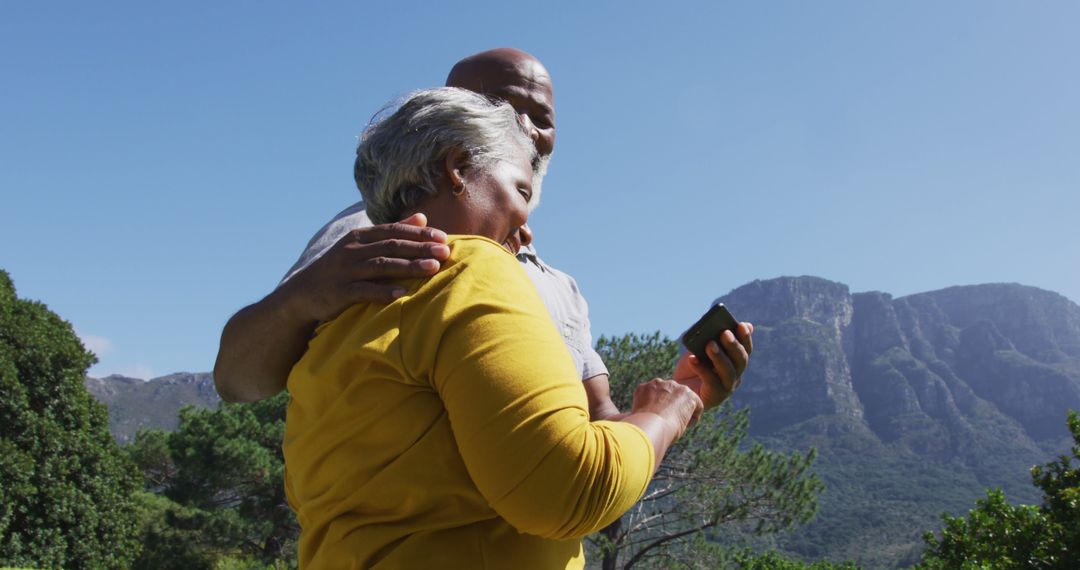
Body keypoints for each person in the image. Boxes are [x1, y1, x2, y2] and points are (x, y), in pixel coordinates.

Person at [284, 87, 719, 569]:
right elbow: (566, 489)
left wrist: (685, 396)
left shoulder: (334, 324)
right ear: (458, 167)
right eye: (521, 191)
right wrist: (663, 415)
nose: (526, 224)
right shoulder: (470, 270)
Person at [213, 47, 753, 417]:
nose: (525, 128)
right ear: (448, 118)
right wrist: (302, 298)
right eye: (500, 105)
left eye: (541, 116)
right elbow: (237, 380)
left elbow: (596, 437)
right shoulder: (374, 229)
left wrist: (686, 397)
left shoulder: (561, 290)